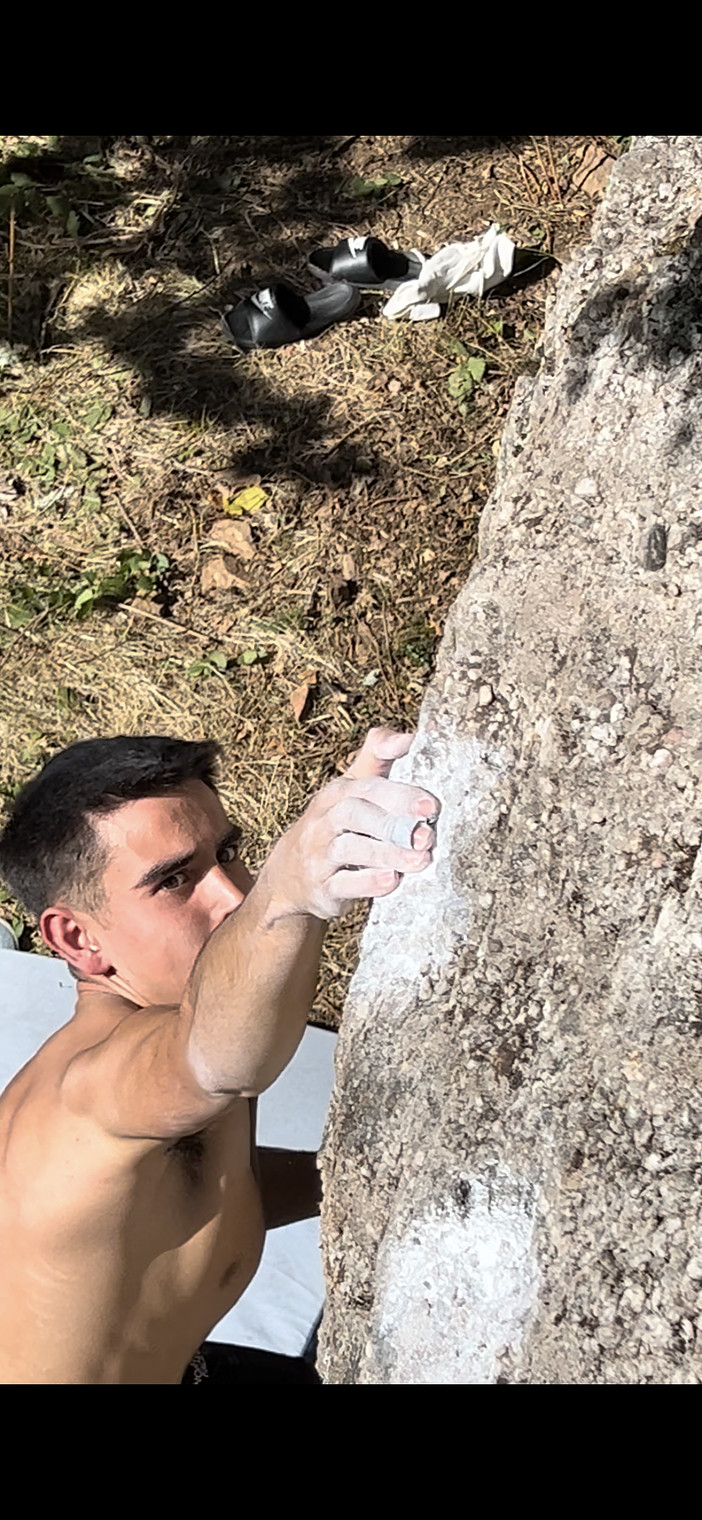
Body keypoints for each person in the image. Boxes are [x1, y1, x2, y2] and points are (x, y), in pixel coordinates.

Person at [0, 727, 439, 1384]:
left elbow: (207, 1185)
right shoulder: (89, 1091)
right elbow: (220, 1062)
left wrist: (351, 1176)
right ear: (78, 938)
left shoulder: (172, 1048)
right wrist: (288, 895)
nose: (234, 896)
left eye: (228, 854)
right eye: (174, 880)